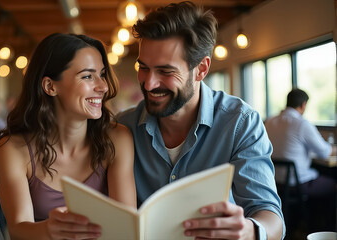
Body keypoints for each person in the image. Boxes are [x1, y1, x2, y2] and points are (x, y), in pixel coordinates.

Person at [117, 2, 284, 240]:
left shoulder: (240, 123)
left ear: (201, 69)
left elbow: (271, 217)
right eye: (143, 68)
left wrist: (250, 231)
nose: (149, 83)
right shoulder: (122, 127)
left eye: (165, 71)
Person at [0, 33, 136, 240]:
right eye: (87, 76)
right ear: (50, 86)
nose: (103, 86)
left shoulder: (117, 139)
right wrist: (49, 230)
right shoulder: (12, 149)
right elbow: (18, 229)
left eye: (102, 74)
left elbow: (125, 227)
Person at [265, 88, 336, 231]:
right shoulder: (302, 124)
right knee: (333, 184)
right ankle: (324, 229)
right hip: (296, 183)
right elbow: (324, 152)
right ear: (303, 105)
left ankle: (305, 224)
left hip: (274, 182)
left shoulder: (270, 121)